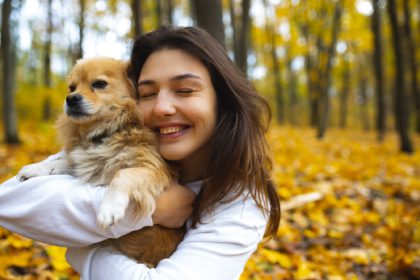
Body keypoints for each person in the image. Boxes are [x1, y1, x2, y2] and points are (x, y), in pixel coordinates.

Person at [0, 26, 280, 279]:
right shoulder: (124, 139)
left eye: (184, 90)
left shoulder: (240, 201)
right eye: (147, 94)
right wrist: (151, 211)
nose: (162, 108)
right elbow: (10, 201)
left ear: (223, 100)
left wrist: (83, 250)